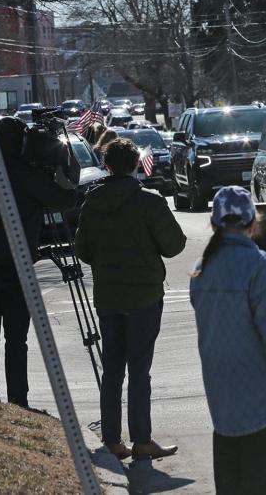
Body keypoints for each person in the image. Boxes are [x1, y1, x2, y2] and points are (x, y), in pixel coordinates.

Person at [74, 138, 186, 460]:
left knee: (112, 370)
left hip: (108, 296)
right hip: (144, 297)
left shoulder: (92, 202)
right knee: (139, 371)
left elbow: (82, 250)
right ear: (136, 163)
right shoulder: (149, 202)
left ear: (107, 165)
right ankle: (141, 441)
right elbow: (174, 245)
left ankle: (111, 440)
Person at [190, 186, 266, 495]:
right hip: (262, 405)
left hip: (222, 405)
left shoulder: (201, 271)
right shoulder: (262, 268)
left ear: (214, 224)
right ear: (252, 223)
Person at [0, 117, 79, 408]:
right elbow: (66, 200)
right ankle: (18, 399)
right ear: (22, 144)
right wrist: (61, 167)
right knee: (16, 337)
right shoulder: (26, 176)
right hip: (14, 265)